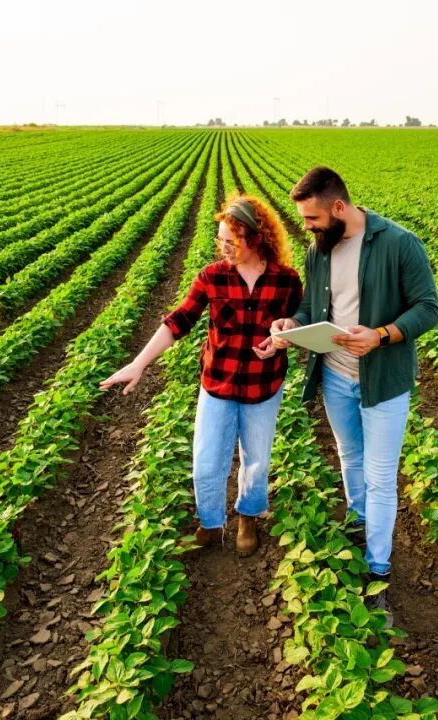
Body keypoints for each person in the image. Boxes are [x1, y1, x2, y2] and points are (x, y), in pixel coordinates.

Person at [270, 167, 438, 621]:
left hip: (382, 380)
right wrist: (293, 323)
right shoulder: (319, 249)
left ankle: (378, 569)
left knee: (381, 476)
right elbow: (313, 305)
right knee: (349, 457)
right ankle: (359, 521)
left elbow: (428, 309)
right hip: (335, 376)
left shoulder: (399, 243)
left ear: (339, 207)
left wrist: (381, 336)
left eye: (312, 218)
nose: (307, 227)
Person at [101, 195, 302, 557]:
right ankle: (210, 523)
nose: (224, 248)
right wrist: (139, 362)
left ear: (256, 239)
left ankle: (248, 517)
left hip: (263, 384)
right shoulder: (213, 276)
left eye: (231, 241)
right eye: (220, 240)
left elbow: (297, 323)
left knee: (257, 460)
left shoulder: (286, 280)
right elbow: (179, 320)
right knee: (206, 463)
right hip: (218, 383)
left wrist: (283, 336)